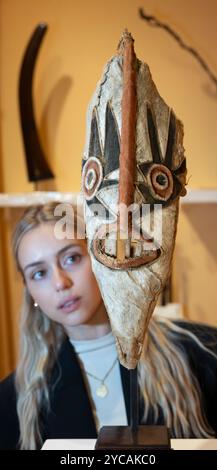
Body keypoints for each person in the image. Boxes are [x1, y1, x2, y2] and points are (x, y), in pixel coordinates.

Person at [0, 201, 217, 450]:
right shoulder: (14, 400)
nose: (60, 282)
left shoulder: (202, 354)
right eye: (39, 273)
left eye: (71, 258)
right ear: (30, 293)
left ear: (101, 255)